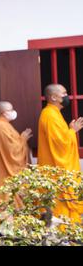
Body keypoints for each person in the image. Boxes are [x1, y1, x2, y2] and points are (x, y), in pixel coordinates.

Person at [38, 84, 83, 222]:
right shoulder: (49, 115)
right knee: (59, 203)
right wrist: (72, 131)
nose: (66, 96)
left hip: (54, 168)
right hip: (56, 170)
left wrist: (69, 130)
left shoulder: (54, 113)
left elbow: (60, 138)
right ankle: (62, 233)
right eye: (63, 94)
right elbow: (61, 144)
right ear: (53, 97)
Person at [0, 101, 32, 212]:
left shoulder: (6, 125)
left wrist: (22, 139)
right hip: (7, 168)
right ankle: (7, 224)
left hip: (8, 166)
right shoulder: (1, 126)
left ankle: (14, 224)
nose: (13, 112)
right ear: (4, 113)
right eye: (11, 110)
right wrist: (23, 139)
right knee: (7, 193)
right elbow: (11, 150)